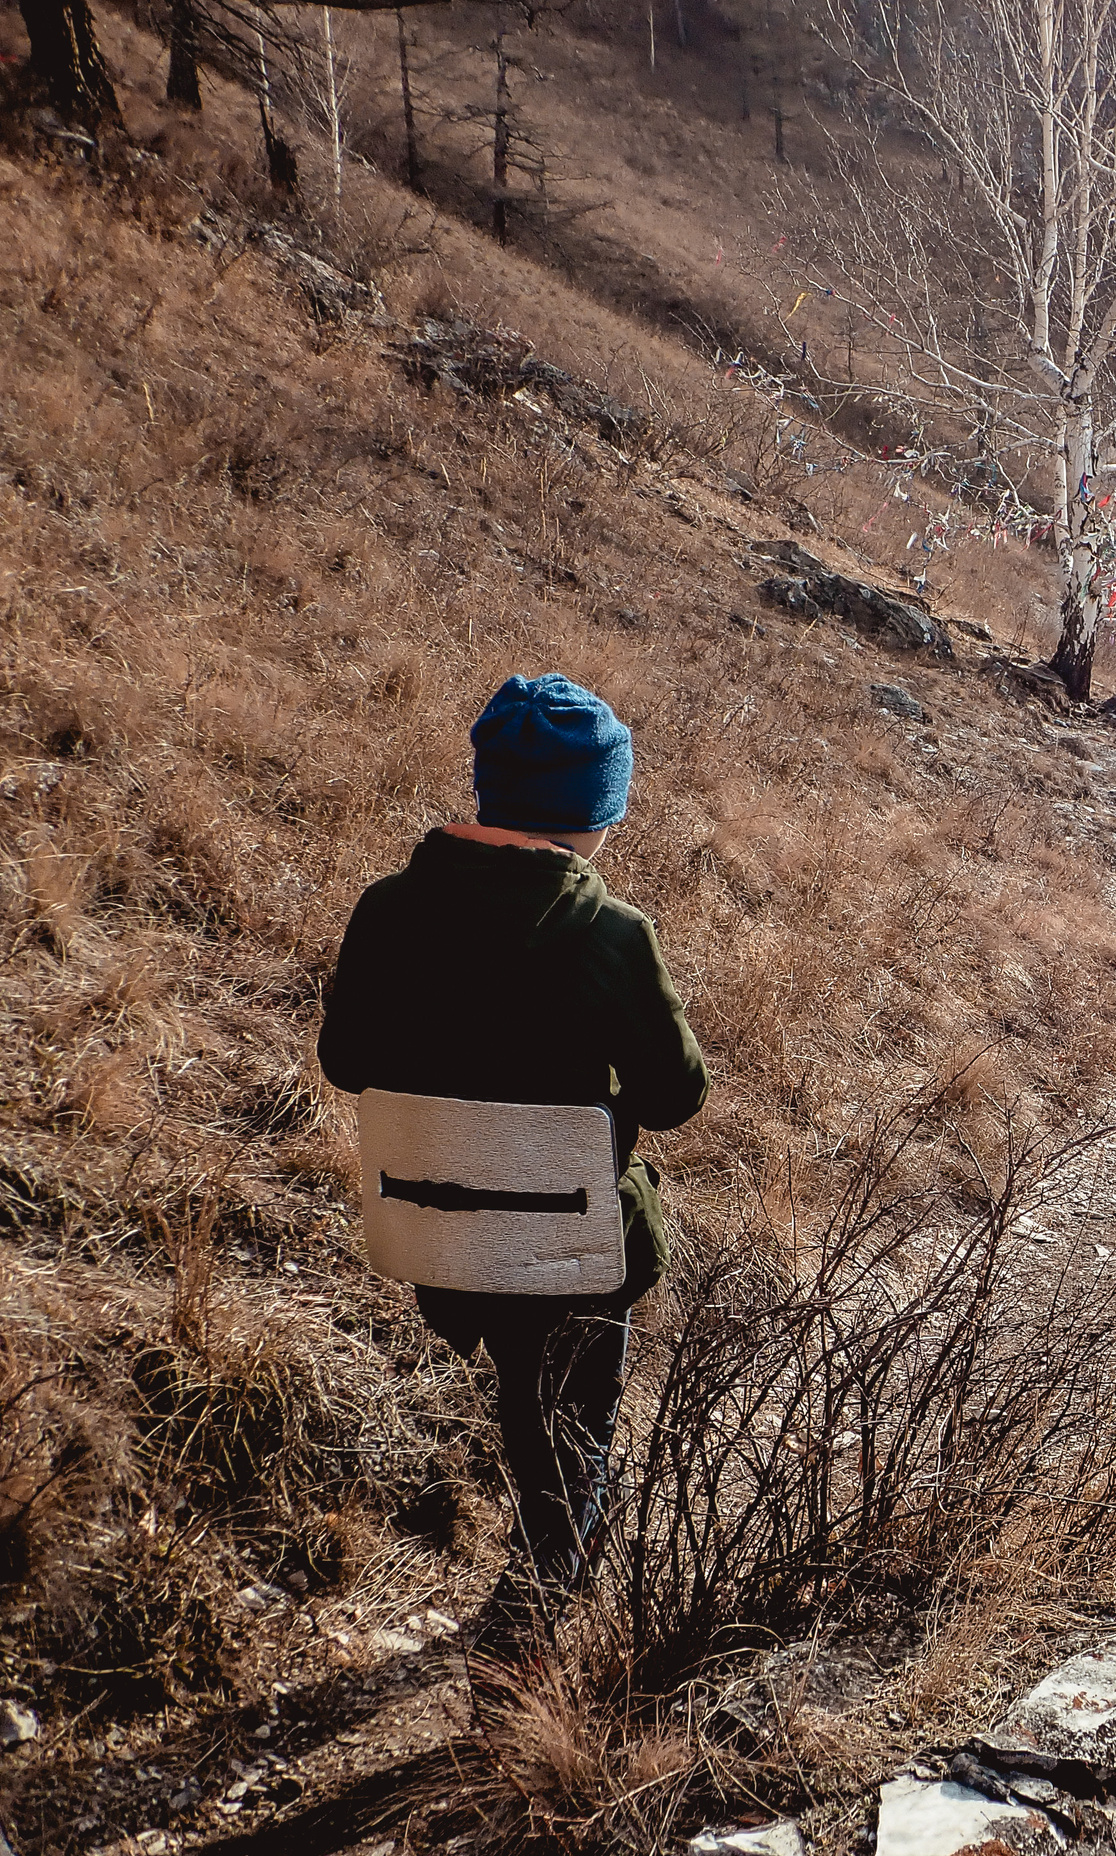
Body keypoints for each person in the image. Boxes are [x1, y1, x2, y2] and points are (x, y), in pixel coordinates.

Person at [318, 673, 710, 1637]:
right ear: (590, 813)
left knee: (527, 1391)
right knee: (575, 1422)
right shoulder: (614, 936)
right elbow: (676, 1097)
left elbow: (345, 1060)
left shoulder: (388, 910)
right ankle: (541, 1608)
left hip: (440, 1238)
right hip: (568, 1251)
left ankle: (542, 1558)